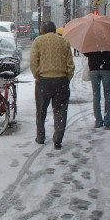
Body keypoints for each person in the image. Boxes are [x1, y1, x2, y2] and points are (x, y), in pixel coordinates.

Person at [30, 21, 75, 149]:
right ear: (55, 30)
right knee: (60, 111)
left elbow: (33, 62)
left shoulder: (38, 41)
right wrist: (67, 78)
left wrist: (37, 76)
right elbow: (70, 64)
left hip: (44, 81)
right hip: (61, 81)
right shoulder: (64, 42)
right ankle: (58, 139)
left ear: (42, 30)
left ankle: (40, 136)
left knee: (41, 110)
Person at [86, 47, 110, 128]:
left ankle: (98, 121)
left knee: (96, 95)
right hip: (106, 67)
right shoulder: (109, 36)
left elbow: (86, 53)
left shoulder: (90, 37)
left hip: (93, 67)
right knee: (107, 94)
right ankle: (108, 120)